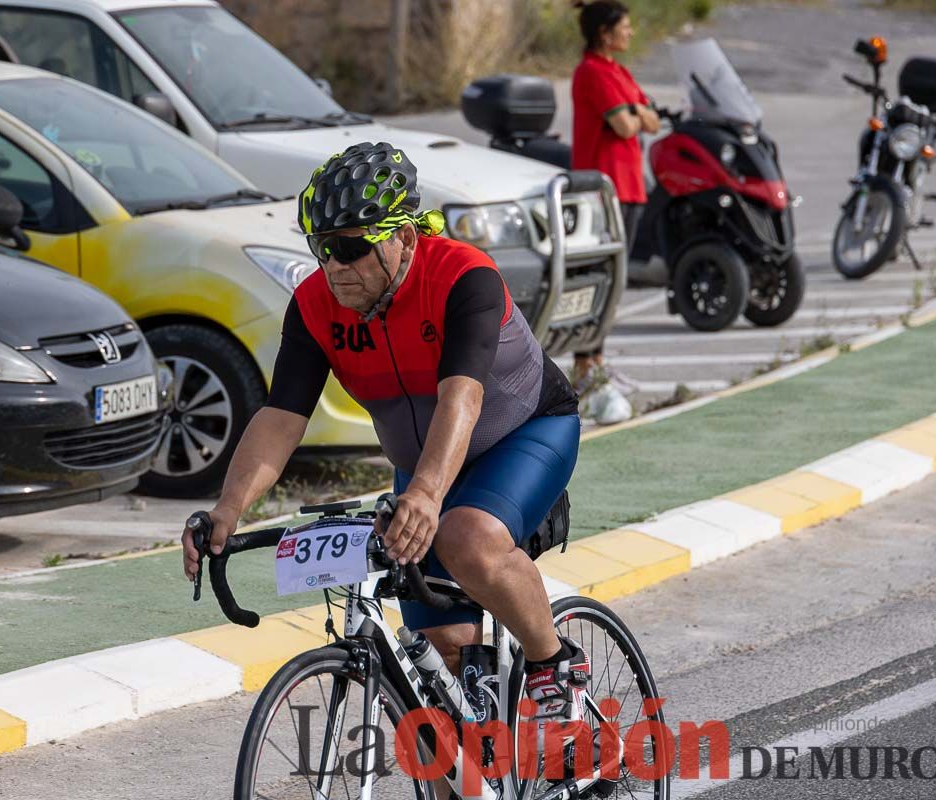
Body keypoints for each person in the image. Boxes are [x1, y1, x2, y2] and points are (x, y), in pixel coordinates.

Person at [182, 141, 591, 758]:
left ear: (403, 237)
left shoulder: (462, 277)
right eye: (322, 248)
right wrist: (228, 510)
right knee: (443, 660)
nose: (335, 266)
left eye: (351, 246)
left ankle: (555, 664)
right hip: (423, 465)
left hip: (525, 434)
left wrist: (426, 496)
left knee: (467, 538)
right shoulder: (317, 305)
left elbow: (463, 399)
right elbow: (282, 417)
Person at [569, 0, 660, 420]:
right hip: (604, 188)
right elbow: (626, 126)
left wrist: (637, 112)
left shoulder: (619, 71)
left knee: (616, 280)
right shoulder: (592, 72)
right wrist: (636, 114)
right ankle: (587, 365)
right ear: (604, 32)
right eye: (624, 27)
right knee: (601, 278)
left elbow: (652, 121)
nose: (631, 33)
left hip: (631, 186)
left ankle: (596, 363)